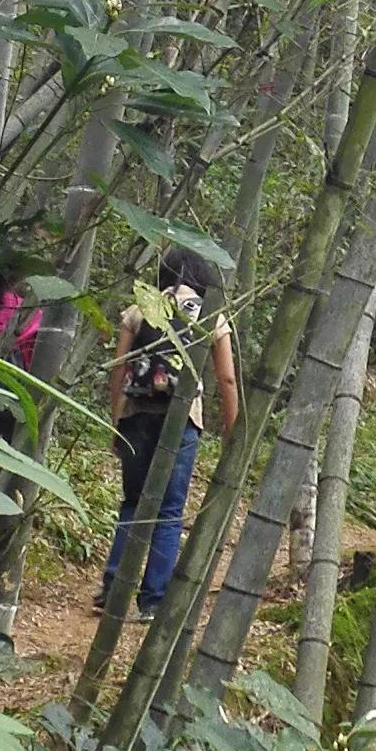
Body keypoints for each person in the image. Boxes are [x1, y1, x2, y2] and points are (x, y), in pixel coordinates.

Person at [105, 248, 237, 618]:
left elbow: (118, 370)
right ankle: (153, 600)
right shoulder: (209, 312)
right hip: (181, 422)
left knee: (132, 503)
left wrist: (116, 420)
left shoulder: (141, 307)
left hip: (135, 415)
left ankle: (112, 589)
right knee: (168, 512)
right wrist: (232, 430)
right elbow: (226, 378)